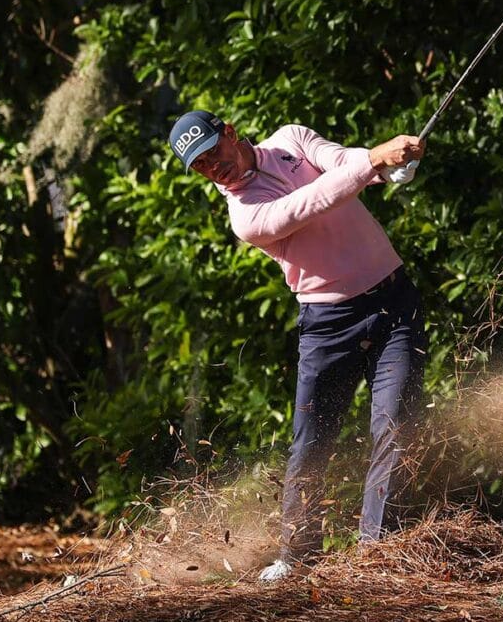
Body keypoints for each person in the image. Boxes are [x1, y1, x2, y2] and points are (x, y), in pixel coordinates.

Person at [168, 110, 428, 582]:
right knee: (312, 443)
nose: (213, 169)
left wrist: (388, 168)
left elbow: (339, 162)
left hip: (393, 302)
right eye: (200, 167)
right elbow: (312, 202)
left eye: (212, 154)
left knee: (396, 425)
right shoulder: (244, 215)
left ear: (229, 132)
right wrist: (373, 160)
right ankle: (296, 554)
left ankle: (377, 552)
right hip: (329, 324)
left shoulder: (291, 139)